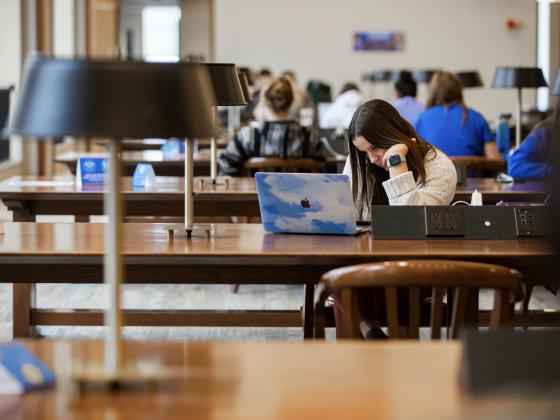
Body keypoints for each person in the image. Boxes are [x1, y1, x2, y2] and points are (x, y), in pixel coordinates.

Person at [339, 99, 456, 338]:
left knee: (344, 285)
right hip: (367, 266)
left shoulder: (438, 166)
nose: (371, 159)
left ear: (392, 136)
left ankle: (371, 337)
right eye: (364, 152)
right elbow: (347, 215)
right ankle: (370, 333)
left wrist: (396, 163)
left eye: (375, 149)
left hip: (417, 270)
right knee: (336, 277)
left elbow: (410, 225)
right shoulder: (361, 163)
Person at [218, 77, 324, 176]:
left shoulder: (247, 136)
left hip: (255, 196)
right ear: (291, 101)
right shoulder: (310, 137)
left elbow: (226, 168)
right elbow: (321, 171)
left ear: (264, 101)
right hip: (299, 196)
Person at [414, 71, 500, 159]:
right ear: (459, 91)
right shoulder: (477, 118)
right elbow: (494, 160)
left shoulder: (421, 119)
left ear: (431, 93)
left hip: (435, 172)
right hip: (470, 172)